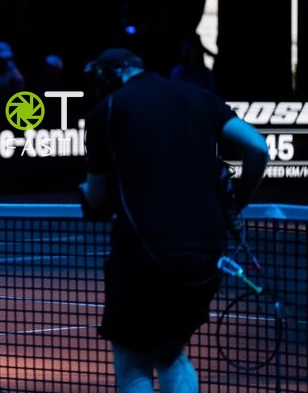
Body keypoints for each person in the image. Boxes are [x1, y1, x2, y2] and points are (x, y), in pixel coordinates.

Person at [78, 48, 268, 392]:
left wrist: (84, 190)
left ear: (113, 75)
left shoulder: (106, 111)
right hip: (206, 256)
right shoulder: (199, 97)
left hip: (143, 253)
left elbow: (96, 196)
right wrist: (237, 202)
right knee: (172, 354)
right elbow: (258, 147)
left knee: (133, 362)